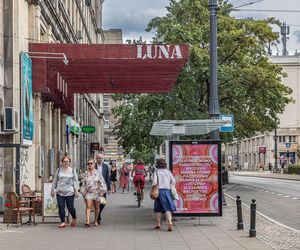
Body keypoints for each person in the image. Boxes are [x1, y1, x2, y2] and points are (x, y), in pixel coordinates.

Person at [51, 155, 79, 228]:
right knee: (61, 207)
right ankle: (63, 222)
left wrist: (76, 190)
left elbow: (75, 181)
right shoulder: (59, 170)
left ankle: (74, 217)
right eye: (64, 161)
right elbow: (55, 180)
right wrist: (52, 190)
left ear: (69, 163)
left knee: (70, 207)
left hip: (69, 192)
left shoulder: (72, 170)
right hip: (60, 192)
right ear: (62, 162)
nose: (66, 163)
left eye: (67, 161)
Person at [81, 159, 107, 227]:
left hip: (97, 193)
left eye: (91, 163)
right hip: (89, 193)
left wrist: (102, 191)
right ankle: (87, 221)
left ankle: (95, 221)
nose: (89, 165)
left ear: (94, 164)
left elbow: (102, 183)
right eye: (88, 163)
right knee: (88, 206)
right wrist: (83, 193)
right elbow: (83, 184)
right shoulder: (86, 174)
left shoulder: (98, 173)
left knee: (97, 207)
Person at [152, 158, 176, 232]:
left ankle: (159, 224)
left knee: (158, 208)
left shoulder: (157, 172)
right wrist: (170, 186)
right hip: (167, 191)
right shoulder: (168, 172)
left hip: (159, 191)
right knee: (167, 208)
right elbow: (173, 181)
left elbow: (155, 182)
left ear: (157, 165)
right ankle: (169, 222)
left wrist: (153, 187)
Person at [95, 154, 111, 225]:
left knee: (103, 203)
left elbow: (107, 177)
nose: (100, 159)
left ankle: (98, 213)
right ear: (96, 159)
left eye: (101, 158)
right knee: (96, 203)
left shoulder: (105, 166)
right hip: (94, 187)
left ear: (103, 159)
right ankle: (98, 218)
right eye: (98, 158)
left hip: (103, 187)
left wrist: (109, 188)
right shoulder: (93, 166)